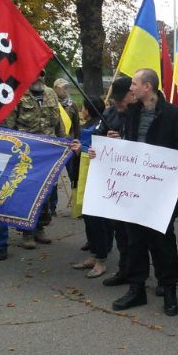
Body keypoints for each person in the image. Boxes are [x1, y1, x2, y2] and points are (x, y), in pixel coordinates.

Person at [103, 68, 178, 317]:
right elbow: (130, 145)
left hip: (161, 191)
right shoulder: (131, 112)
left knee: (162, 242)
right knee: (135, 240)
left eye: (134, 83)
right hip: (135, 188)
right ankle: (136, 288)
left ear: (147, 87)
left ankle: (169, 289)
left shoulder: (173, 114)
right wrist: (115, 142)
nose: (130, 88)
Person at [3, 71, 65, 249]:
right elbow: (10, 125)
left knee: (46, 191)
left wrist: (65, 143)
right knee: (27, 192)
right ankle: (27, 231)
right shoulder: (18, 94)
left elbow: (58, 122)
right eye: (35, 74)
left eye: (42, 74)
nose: (38, 77)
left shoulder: (51, 93)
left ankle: (40, 228)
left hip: (48, 153)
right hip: (26, 154)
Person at [94, 77, 138, 288]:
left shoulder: (141, 113)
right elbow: (95, 138)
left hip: (138, 182)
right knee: (119, 230)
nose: (118, 102)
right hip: (114, 182)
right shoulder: (110, 113)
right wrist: (104, 140)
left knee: (139, 235)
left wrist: (124, 142)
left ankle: (149, 275)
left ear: (133, 93)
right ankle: (124, 269)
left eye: (122, 98)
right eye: (116, 98)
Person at [73, 96, 113, 278]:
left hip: (97, 175)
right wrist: (79, 148)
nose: (81, 111)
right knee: (88, 215)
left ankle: (101, 259)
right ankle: (95, 253)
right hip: (85, 172)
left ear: (88, 109)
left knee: (98, 217)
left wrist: (82, 147)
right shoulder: (94, 124)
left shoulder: (100, 125)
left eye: (83, 107)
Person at [50, 78, 81, 214]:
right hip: (54, 144)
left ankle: (77, 206)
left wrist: (77, 141)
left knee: (73, 174)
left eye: (67, 87)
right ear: (55, 89)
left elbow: (77, 126)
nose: (65, 90)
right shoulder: (51, 103)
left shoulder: (72, 105)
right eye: (62, 87)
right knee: (53, 177)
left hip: (69, 144)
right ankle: (52, 207)